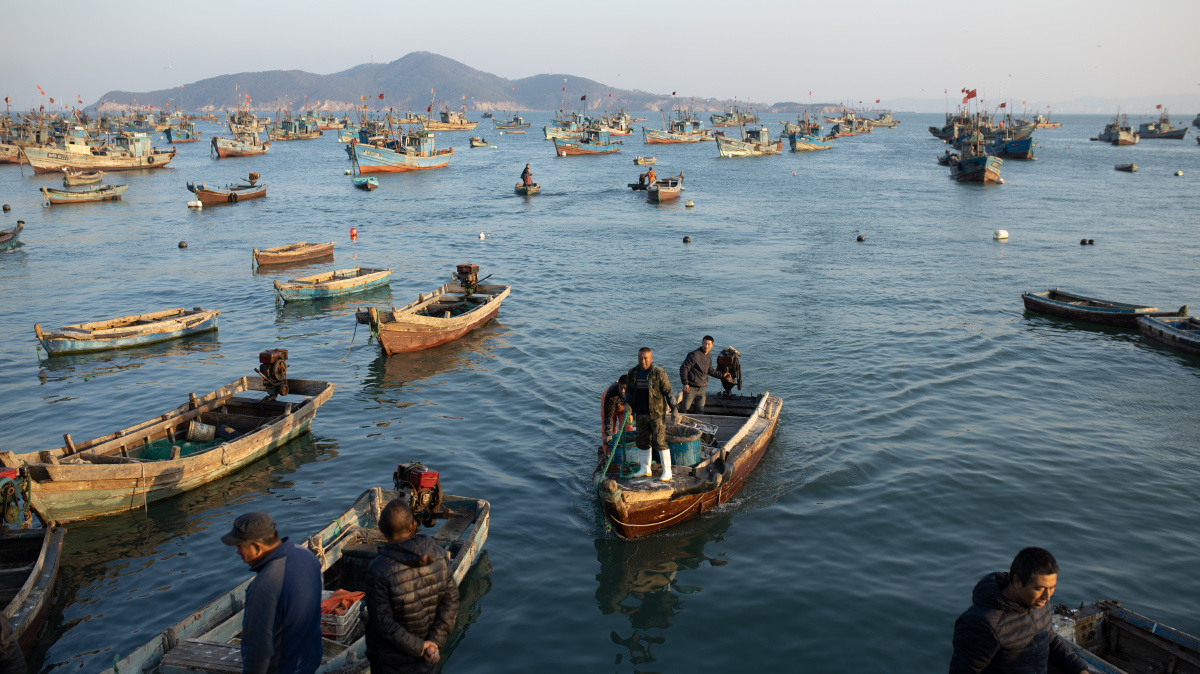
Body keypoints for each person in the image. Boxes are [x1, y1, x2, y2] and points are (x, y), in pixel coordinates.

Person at [949, 547, 1088, 674]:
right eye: (1039, 588)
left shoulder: (1038, 603)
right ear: (1017, 581)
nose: (1047, 596)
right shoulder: (982, 624)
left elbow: (1050, 640)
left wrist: (1079, 669)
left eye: (1052, 587)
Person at [364, 499, 459, 674]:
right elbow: (451, 601)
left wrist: (420, 647)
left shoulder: (379, 569)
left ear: (380, 528)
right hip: (428, 658)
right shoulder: (438, 555)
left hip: (389, 663)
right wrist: (433, 644)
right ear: (412, 526)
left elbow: (383, 623)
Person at [221, 512, 323, 674]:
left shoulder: (264, 586)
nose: (238, 552)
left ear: (256, 547)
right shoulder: (307, 556)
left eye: (240, 546)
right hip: (311, 660)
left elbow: (257, 651)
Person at [625, 347, 676, 481]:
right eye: (640, 358)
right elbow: (629, 391)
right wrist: (627, 404)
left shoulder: (659, 373)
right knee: (642, 441)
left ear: (651, 358)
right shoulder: (632, 372)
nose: (643, 361)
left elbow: (668, 391)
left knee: (659, 441)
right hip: (640, 413)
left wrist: (674, 409)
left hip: (657, 414)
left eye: (646, 358)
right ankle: (645, 469)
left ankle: (667, 471)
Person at [679, 336, 732, 414]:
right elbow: (684, 368)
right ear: (702, 343)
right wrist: (685, 383)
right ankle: (679, 424)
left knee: (700, 410)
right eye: (704, 343)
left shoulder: (709, 356)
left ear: (712, 345)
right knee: (685, 408)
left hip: (702, 389)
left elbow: (710, 371)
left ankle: (699, 425)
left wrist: (723, 375)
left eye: (708, 344)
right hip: (691, 387)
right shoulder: (693, 355)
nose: (706, 346)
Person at [601, 375, 631, 451]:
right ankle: (608, 454)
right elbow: (608, 417)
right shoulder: (611, 394)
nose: (622, 391)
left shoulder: (635, 392)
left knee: (627, 427)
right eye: (621, 388)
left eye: (625, 388)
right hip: (610, 403)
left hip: (624, 406)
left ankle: (625, 451)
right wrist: (608, 435)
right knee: (609, 432)